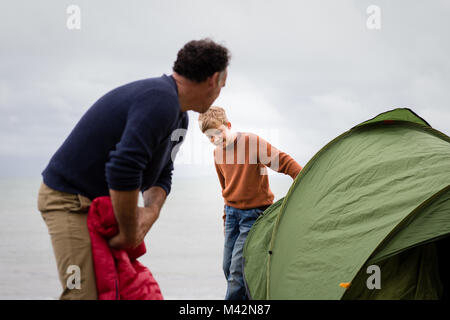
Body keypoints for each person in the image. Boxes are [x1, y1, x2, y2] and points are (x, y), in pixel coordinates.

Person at [38, 39, 230, 300]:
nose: (223, 89)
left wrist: (150, 213)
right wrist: (130, 233)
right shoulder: (160, 100)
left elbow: (163, 174)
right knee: (82, 294)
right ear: (214, 79)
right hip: (70, 200)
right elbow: (122, 169)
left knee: (119, 290)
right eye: (224, 82)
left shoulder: (179, 117)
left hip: (103, 207)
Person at [198, 106, 302, 300]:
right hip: (232, 215)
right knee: (228, 267)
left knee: (237, 274)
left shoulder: (251, 143)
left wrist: (305, 180)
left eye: (218, 133)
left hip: (254, 215)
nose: (215, 140)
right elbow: (226, 190)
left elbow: (284, 162)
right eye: (210, 137)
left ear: (228, 125)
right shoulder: (216, 154)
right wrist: (226, 220)